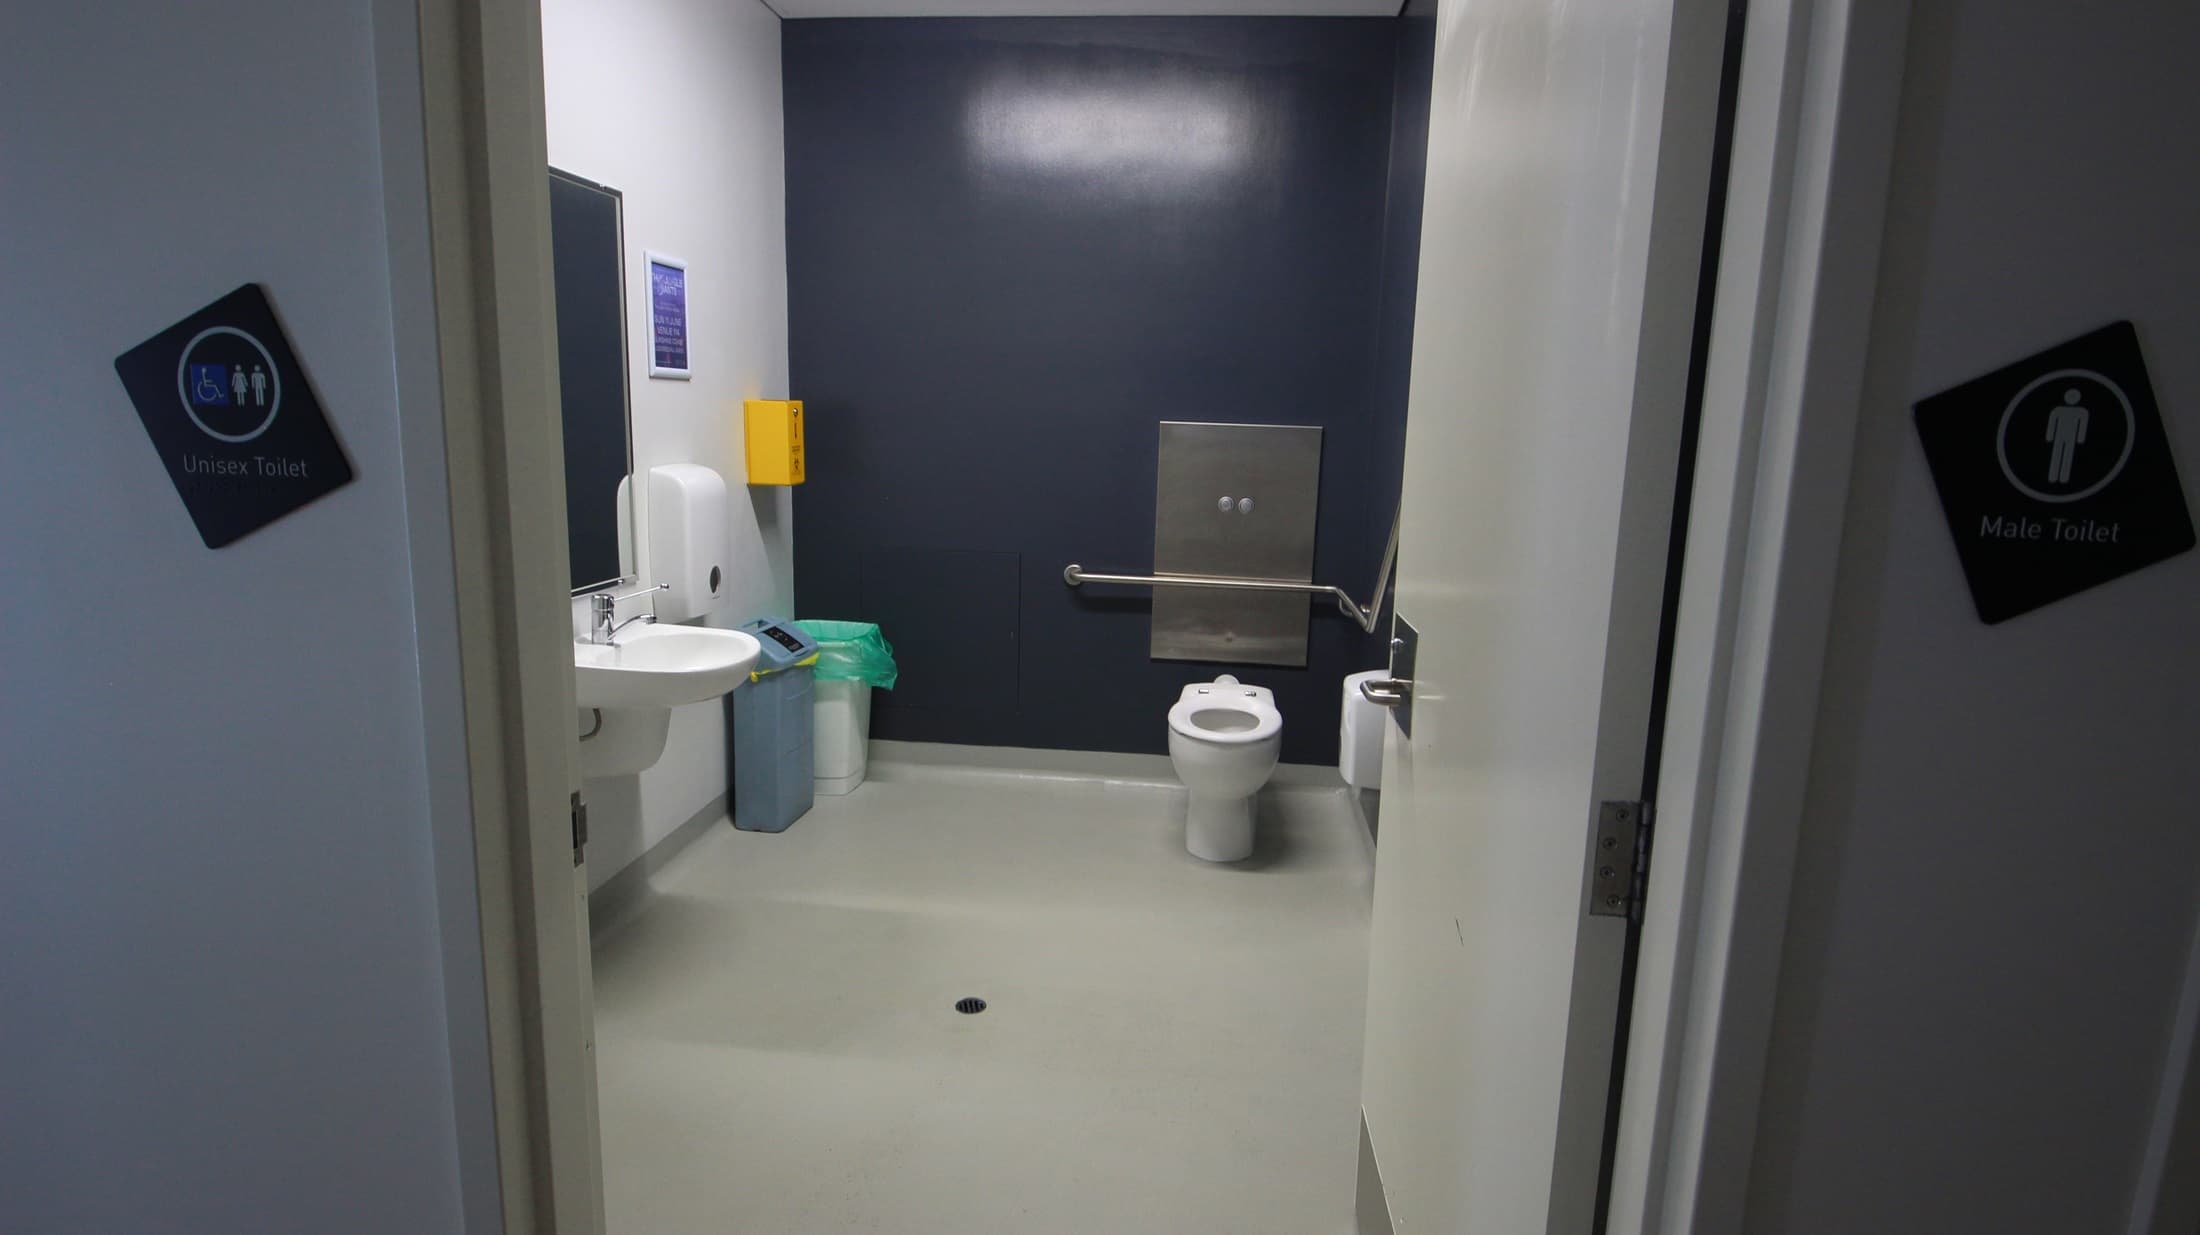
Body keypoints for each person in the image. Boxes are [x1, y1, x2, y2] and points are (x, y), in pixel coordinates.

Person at [2046, 388, 2089, 486]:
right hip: (2059, 436)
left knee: (2067, 456)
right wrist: (2050, 436)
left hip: (2071, 438)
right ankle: (2053, 476)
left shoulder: (2082, 412)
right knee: (2057, 455)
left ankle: (2064, 477)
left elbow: (2082, 426)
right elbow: (2052, 423)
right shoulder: (2058, 410)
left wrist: (2080, 438)